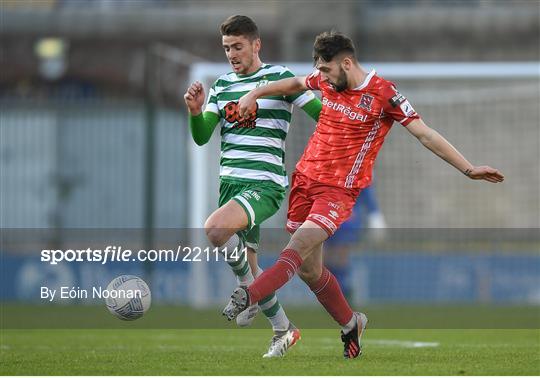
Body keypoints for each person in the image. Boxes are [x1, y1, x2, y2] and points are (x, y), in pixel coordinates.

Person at [222, 31, 505, 359]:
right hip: (304, 182)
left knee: (297, 246)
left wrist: (468, 169)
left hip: (338, 191)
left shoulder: (384, 93)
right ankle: (350, 323)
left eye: (326, 70)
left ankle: (250, 294)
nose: (322, 76)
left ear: (346, 63)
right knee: (309, 270)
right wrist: (254, 93)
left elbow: (425, 134)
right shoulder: (325, 79)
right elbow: (295, 83)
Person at [183, 15, 322, 358]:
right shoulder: (221, 85)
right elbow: (202, 137)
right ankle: (283, 329)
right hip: (231, 185)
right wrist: (195, 112)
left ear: (256, 45)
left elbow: (322, 115)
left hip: (264, 184)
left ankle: (248, 290)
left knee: (215, 230)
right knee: (252, 268)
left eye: (238, 46)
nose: (232, 53)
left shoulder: (280, 77)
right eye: (227, 47)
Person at [325, 184, 387, 302]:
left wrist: (374, 215)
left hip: (347, 217)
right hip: (327, 212)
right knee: (327, 258)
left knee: (340, 253)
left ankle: (344, 292)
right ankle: (337, 290)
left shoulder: (358, 169)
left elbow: (366, 190)